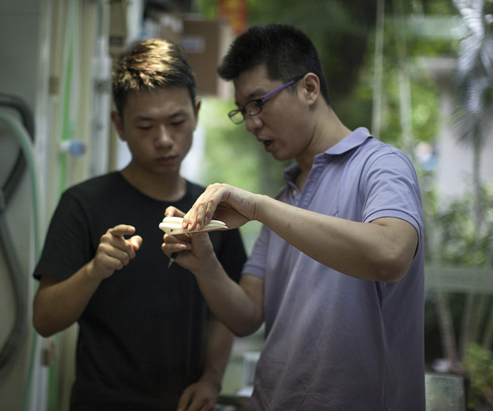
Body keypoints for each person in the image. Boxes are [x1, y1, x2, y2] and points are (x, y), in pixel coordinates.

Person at [162, 24, 425, 411]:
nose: (251, 123)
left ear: (309, 88)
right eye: (242, 111)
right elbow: (248, 316)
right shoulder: (286, 199)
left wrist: (259, 208)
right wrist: (205, 265)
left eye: (258, 102)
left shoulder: (381, 166)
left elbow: (390, 254)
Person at [32, 38, 247, 411]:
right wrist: (94, 270)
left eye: (177, 122)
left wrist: (212, 379)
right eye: (145, 126)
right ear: (119, 125)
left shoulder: (216, 212)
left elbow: (228, 314)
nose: (164, 140)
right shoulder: (83, 204)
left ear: (196, 113)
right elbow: (44, 320)